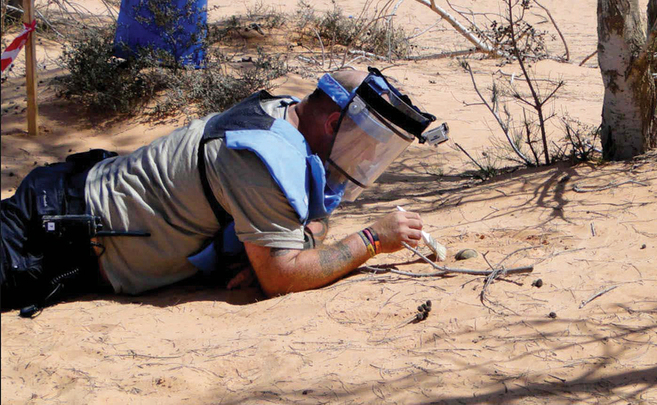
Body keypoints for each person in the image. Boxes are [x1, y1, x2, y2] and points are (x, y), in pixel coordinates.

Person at [0, 68, 448, 314]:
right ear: (333, 124)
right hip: (46, 235)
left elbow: (307, 221)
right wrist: (370, 240)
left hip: (67, 211)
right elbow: (281, 278)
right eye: (363, 145)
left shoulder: (283, 116)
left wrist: (276, 250)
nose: (364, 160)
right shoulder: (263, 160)